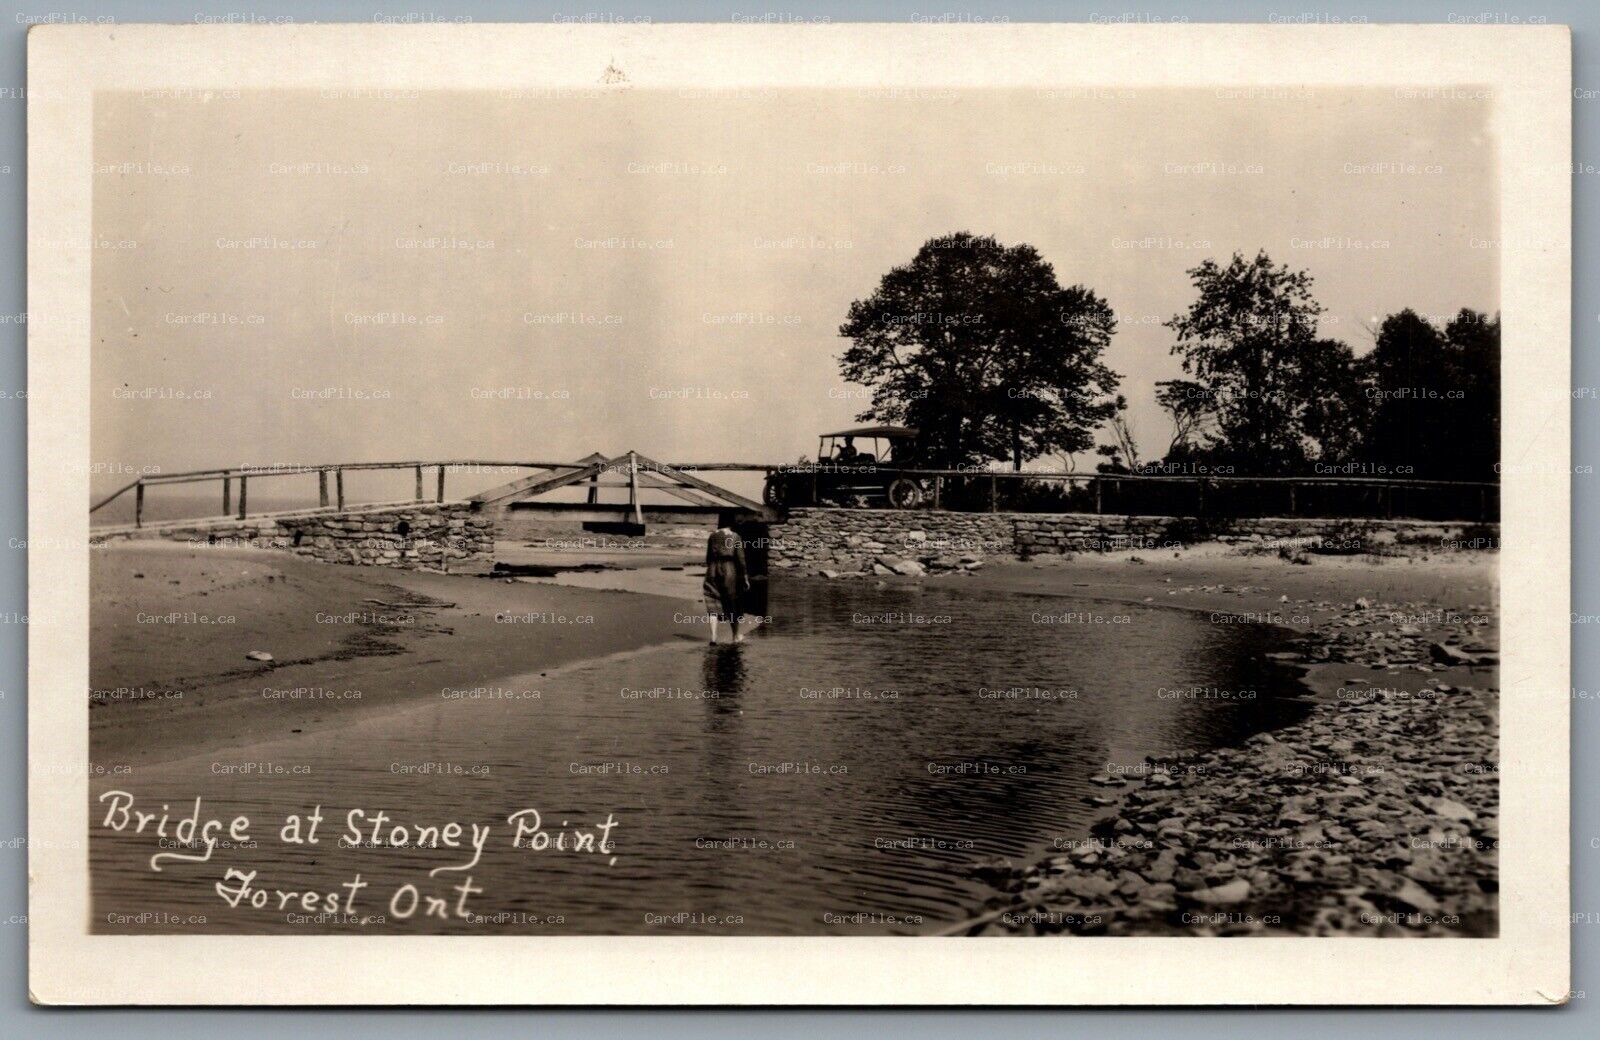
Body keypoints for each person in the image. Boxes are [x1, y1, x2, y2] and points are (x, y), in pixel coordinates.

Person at [703, 519, 749, 644]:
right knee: (733, 602)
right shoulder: (735, 537)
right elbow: (741, 558)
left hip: (712, 569)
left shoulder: (712, 536)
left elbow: (708, 557)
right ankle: (735, 636)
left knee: (712, 601)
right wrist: (745, 576)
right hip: (729, 570)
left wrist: (712, 567)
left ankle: (713, 637)